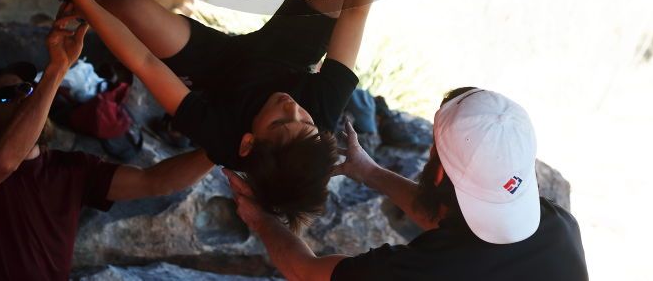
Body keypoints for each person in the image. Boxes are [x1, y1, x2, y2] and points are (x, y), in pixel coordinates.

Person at [54, 0, 407, 231]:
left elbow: (145, 62)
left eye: (281, 123)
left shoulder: (222, 135)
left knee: (129, 6)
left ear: (247, 142)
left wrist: (84, 1)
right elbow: (355, 12)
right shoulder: (321, 117)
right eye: (307, 121)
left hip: (218, 68)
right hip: (290, 51)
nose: (292, 107)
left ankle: (83, 4)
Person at [0, 15, 214, 281]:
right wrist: (57, 70)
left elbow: (155, 181)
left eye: (26, 89)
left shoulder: (73, 168)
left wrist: (220, 149)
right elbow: (5, 162)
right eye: (5, 96)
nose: (21, 96)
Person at [225, 87, 589, 281]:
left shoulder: (424, 271)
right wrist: (369, 172)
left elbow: (305, 272)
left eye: (434, 150)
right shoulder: (557, 227)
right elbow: (455, 225)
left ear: (440, 173)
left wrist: (260, 219)